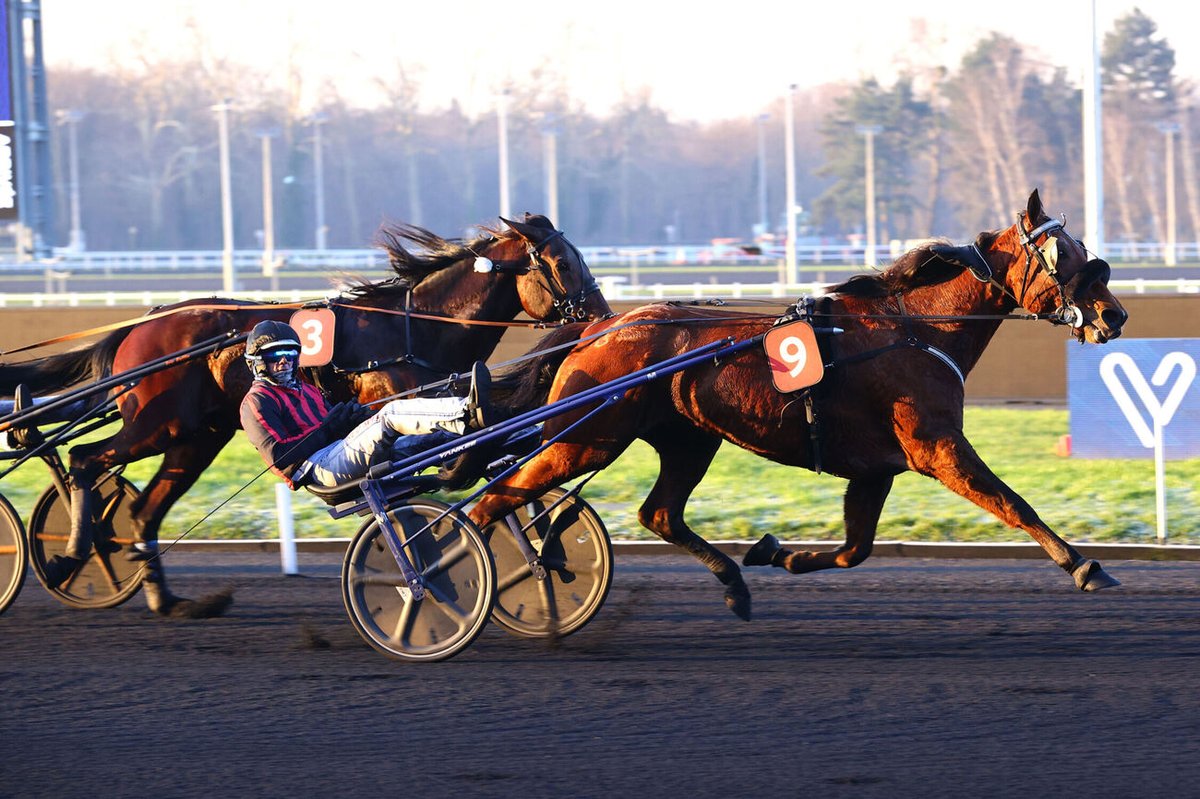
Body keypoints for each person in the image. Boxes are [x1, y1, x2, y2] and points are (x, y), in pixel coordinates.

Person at [238, 319, 495, 489]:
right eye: (274, 356)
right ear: (257, 362)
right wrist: (329, 429)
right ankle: (465, 411)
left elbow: (333, 428)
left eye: (289, 355)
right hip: (318, 469)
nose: (283, 362)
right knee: (391, 413)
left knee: (433, 438)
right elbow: (279, 457)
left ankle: (504, 430)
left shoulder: (306, 389)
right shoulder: (256, 402)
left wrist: (352, 420)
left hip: (338, 453)